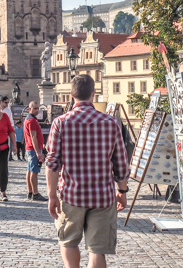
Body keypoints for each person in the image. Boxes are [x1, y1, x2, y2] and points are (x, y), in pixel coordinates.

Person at [46, 75, 129, 268]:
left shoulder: (60, 122)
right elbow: (121, 163)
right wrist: (122, 191)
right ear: (93, 94)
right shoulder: (110, 122)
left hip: (72, 195)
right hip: (103, 196)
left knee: (68, 241)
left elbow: (52, 164)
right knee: (97, 249)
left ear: (70, 95)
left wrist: (52, 196)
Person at [24, 101, 48, 202]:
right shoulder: (32, 121)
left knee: (30, 170)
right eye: (35, 108)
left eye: (38, 108)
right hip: (34, 149)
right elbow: (33, 137)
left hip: (29, 148)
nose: (37, 110)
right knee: (34, 171)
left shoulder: (28, 118)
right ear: (30, 109)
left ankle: (30, 192)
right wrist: (38, 152)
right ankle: (35, 193)